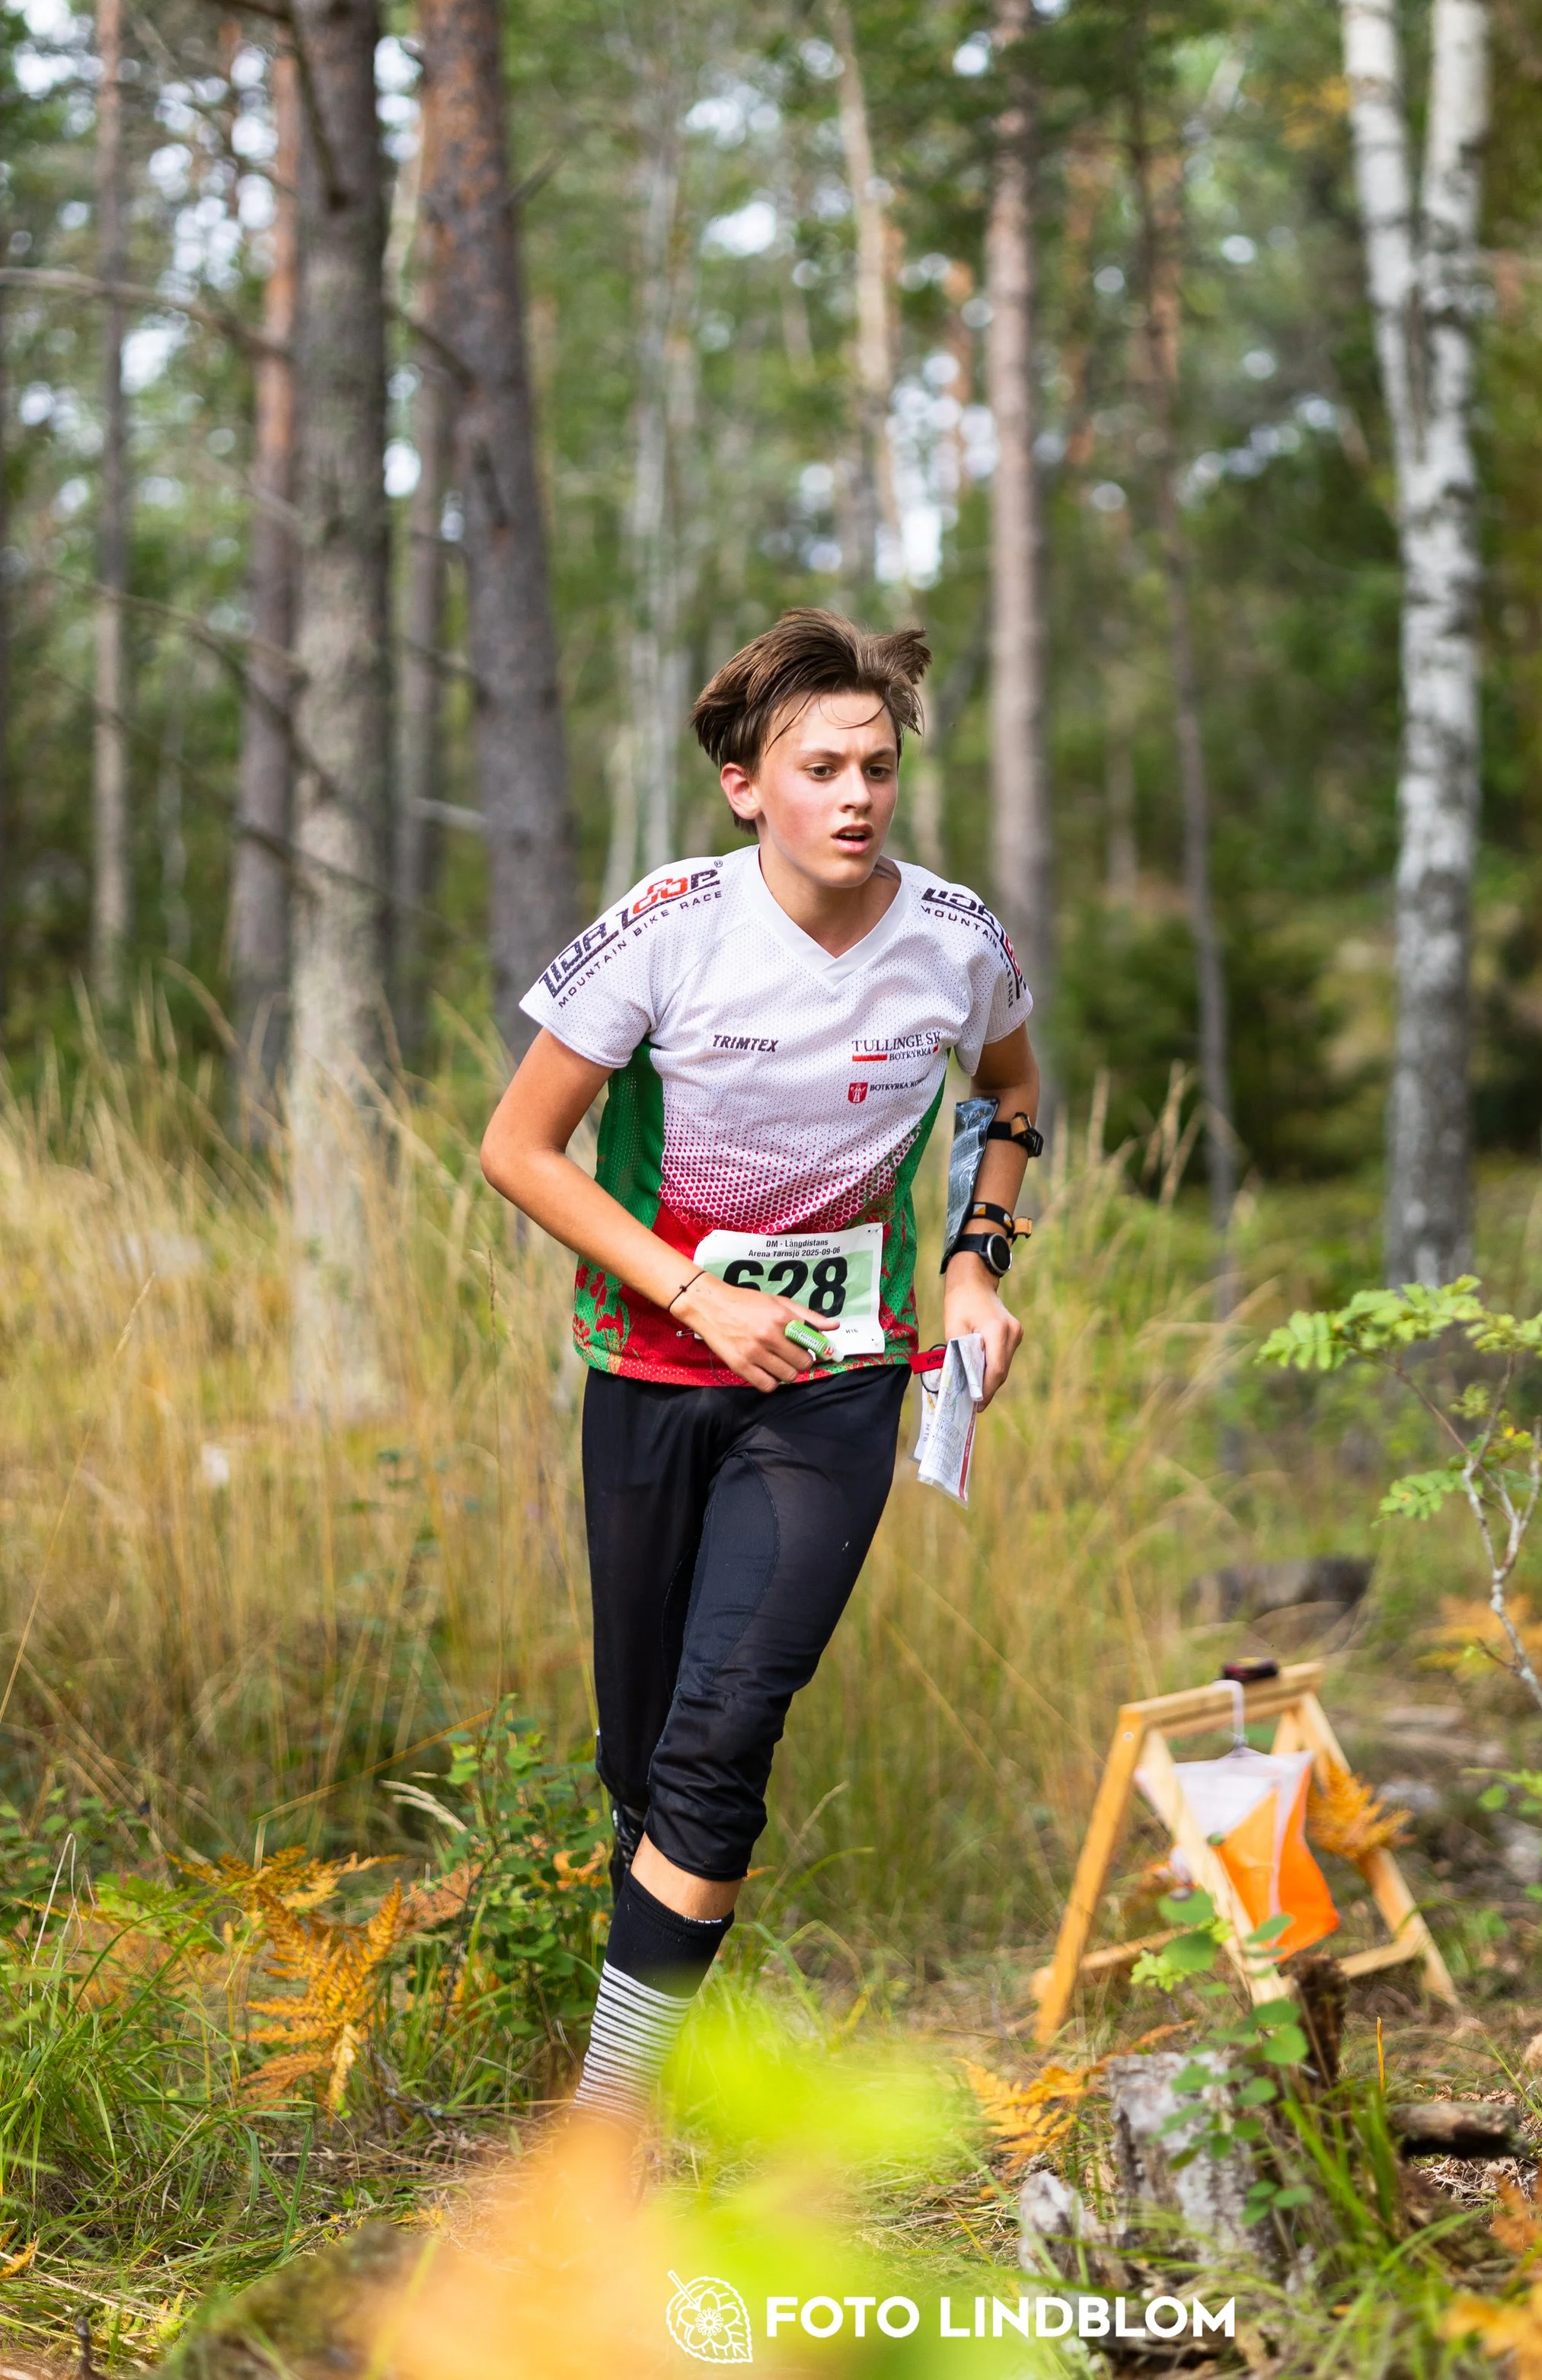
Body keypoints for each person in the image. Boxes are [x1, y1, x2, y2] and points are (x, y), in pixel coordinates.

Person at [480, 609, 1042, 2119]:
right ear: (748, 785)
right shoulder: (667, 922)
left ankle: (608, 2133)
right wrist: (691, 1292)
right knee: (647, 1754)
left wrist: (975, 1259)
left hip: (840, 1377)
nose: (856, 794)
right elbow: (517, 1149)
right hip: (654, 1369)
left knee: (730, 1721)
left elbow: (1010, 1091)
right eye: (819, 767)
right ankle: (650, 2049)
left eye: (875, 764)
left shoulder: (956, 937)